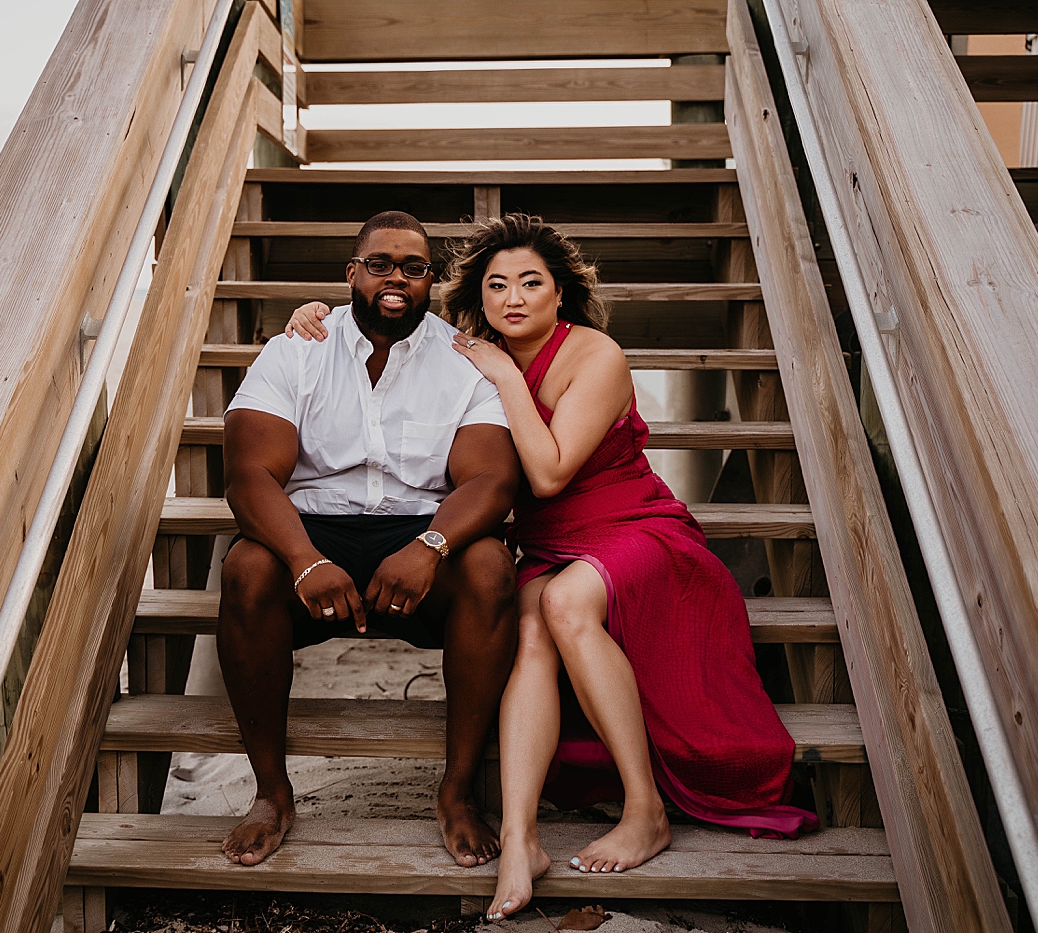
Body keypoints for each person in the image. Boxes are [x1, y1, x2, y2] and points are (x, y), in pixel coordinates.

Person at [285, 214, 819, 920]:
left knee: (563, 604)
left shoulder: (593, 355)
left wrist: (503, 372)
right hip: (550, 544)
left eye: (530, 282)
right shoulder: (468, 349)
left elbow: (548, 471)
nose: (513, 297)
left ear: (558, 294)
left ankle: (644, 810)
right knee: (530, 627)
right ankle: (523, 840)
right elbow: (389, 314)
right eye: (497, 284)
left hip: (631, 527)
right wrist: (315, 312)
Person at [217, 210, 521, 870]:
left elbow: (493, 478)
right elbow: (247, 474)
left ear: (430, 282)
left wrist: (432, 544)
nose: (397, 278)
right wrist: (302, 558)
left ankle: (457, 792)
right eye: (380, 263)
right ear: (352, 273)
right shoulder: (295, 349)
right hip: (314, 528)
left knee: (493, 567)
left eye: (414, 268)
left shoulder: (462, 360)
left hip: (419, 532)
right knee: (245, 567)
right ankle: (272, 794)